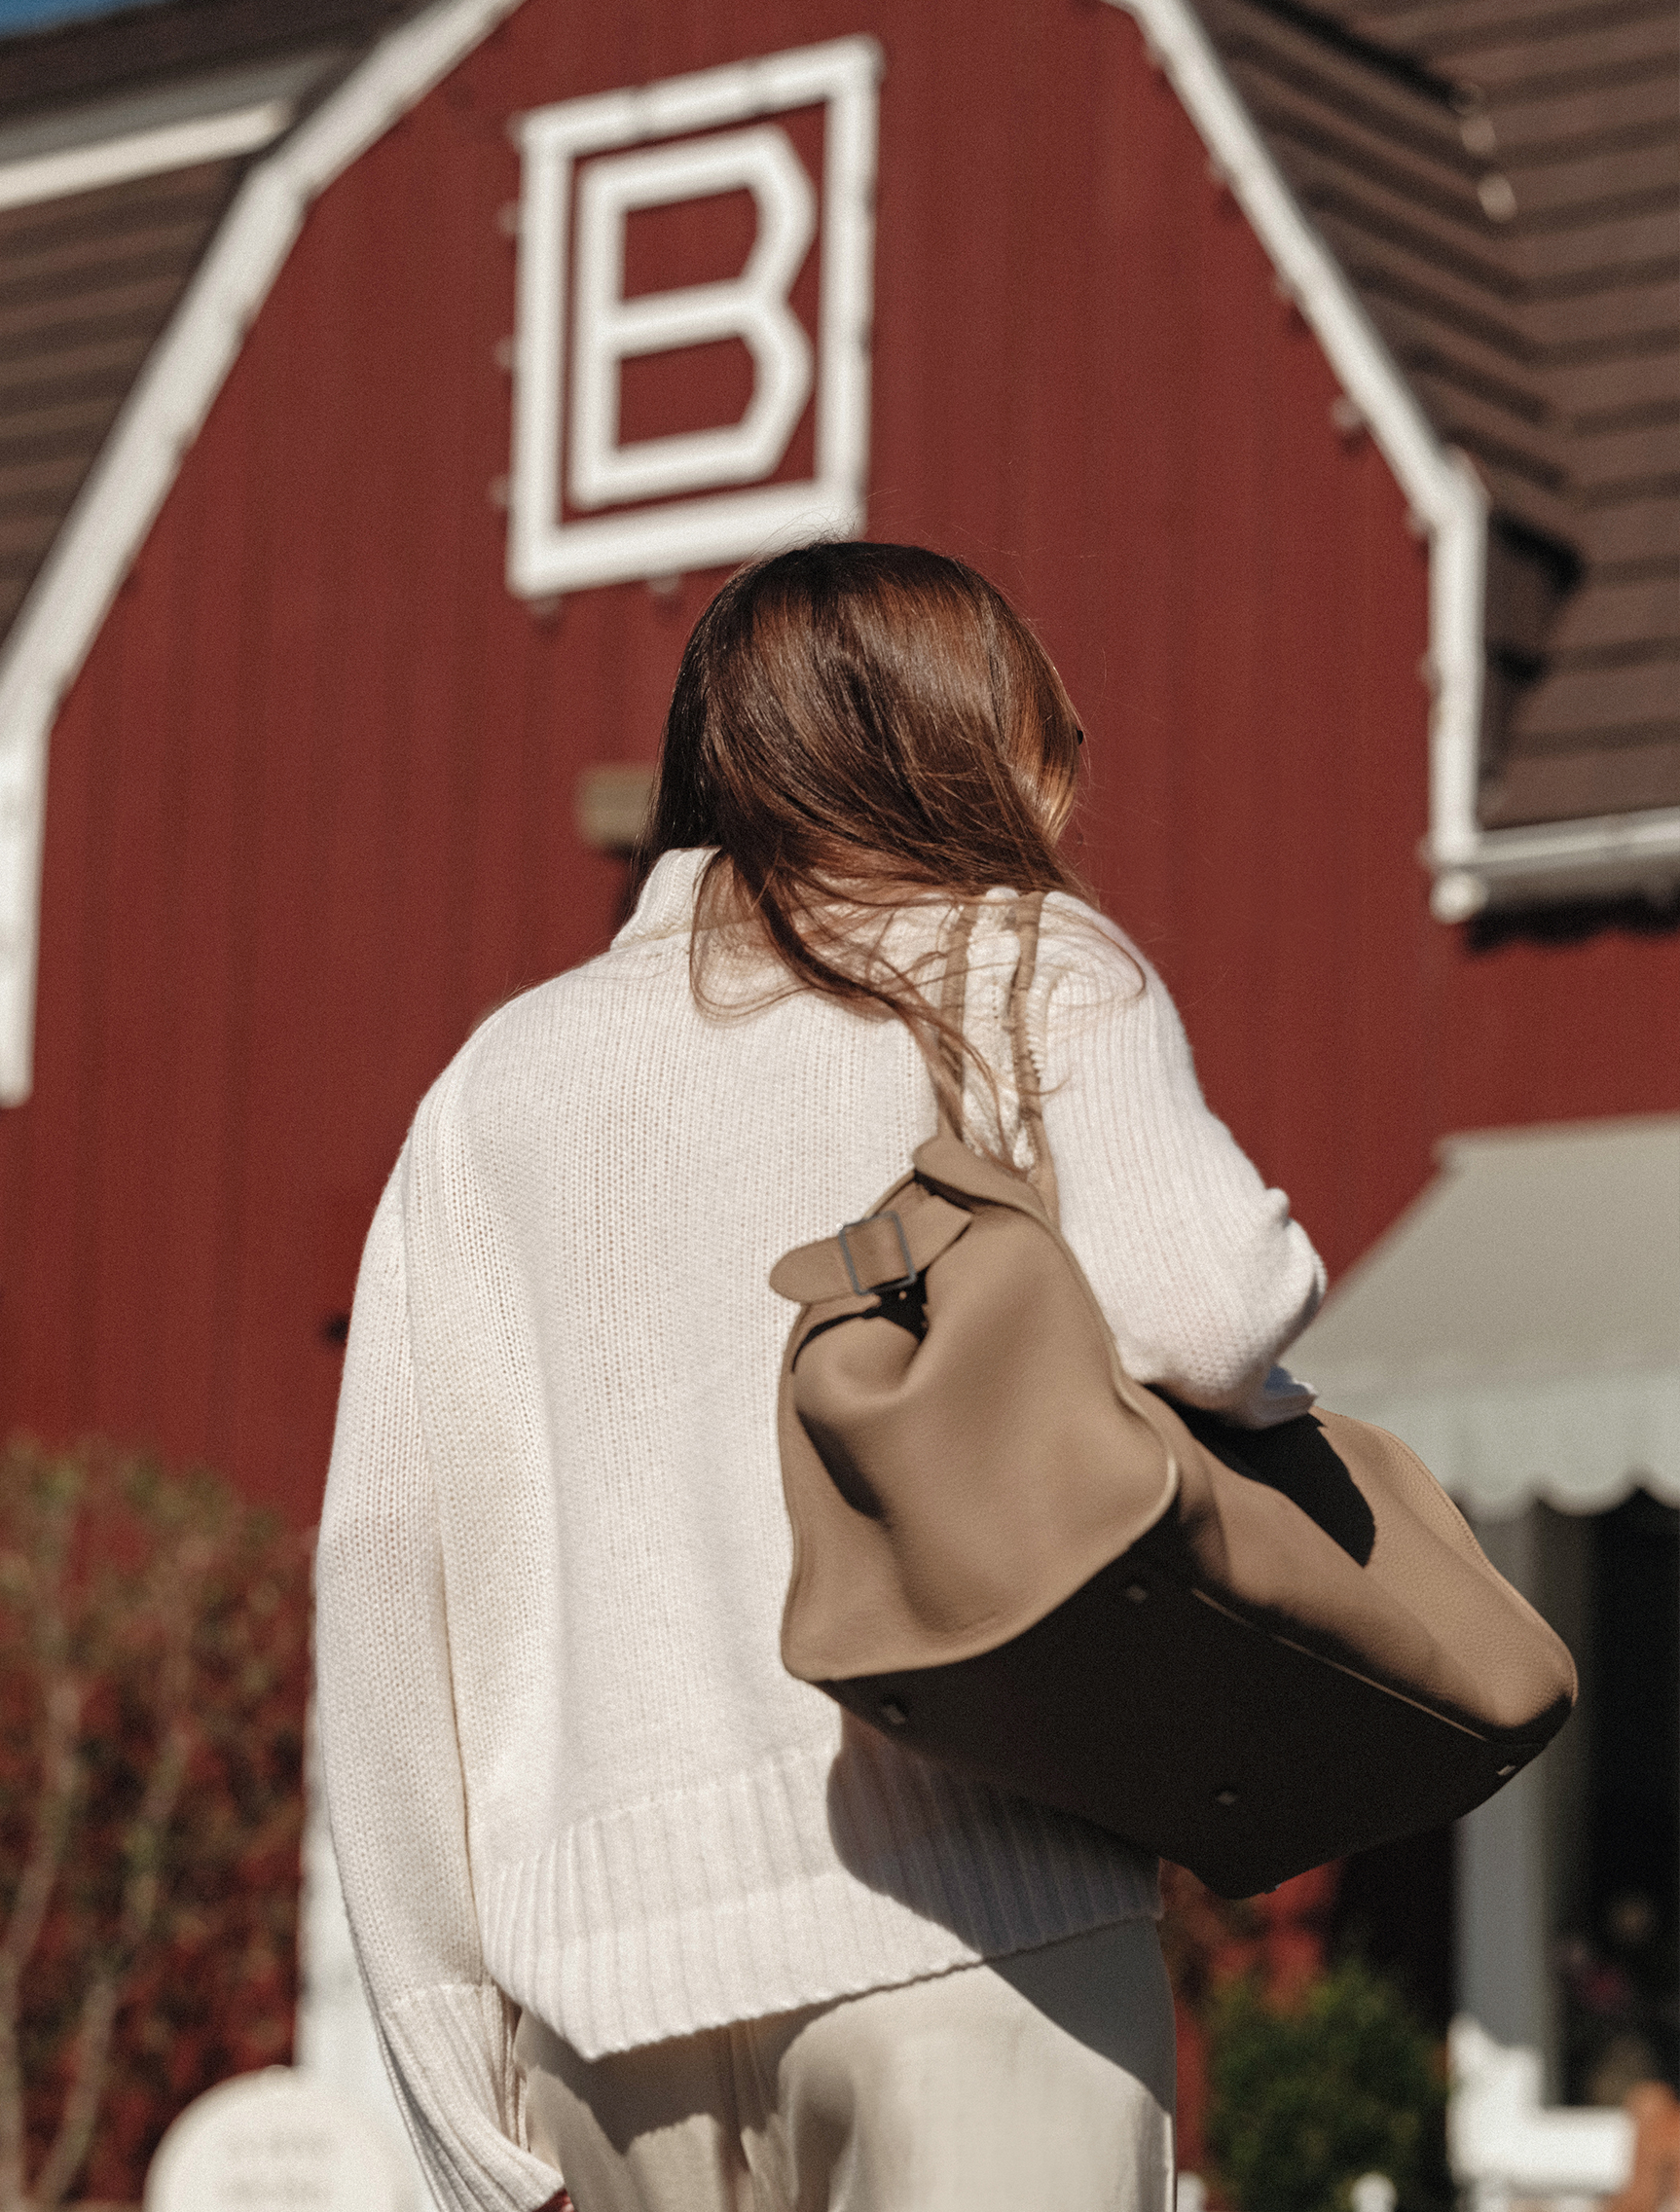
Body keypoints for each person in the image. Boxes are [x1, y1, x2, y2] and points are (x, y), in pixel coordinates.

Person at [316, 542, 1326, 2212]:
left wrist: (450, 2090)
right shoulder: (1026, 967)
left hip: (596, 2020)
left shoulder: (494, 1089)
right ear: (954, 742)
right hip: (972, 1938)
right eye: (1041, 738)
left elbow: (384, 1580)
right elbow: (1215, 1310)